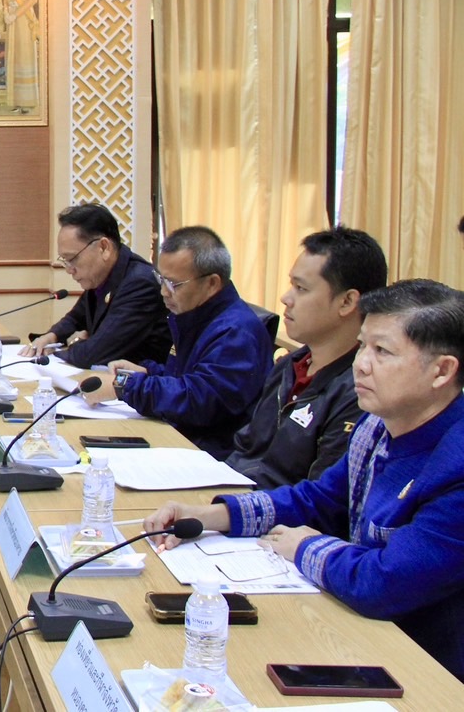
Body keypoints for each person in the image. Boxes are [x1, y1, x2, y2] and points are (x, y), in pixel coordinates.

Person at [146, 280, 464, 682]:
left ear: (442, 371)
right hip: (364, 634)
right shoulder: (378, 426)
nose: (360, 364)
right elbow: (321, 499)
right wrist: (211, 517)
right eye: (363, 345)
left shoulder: (455, 464)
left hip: (431, 669)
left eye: (382, 352)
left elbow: (386, 581)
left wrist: (304, 546)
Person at [83, 225, 273, 456]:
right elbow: (187, 376)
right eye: (160, 279)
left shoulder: (236, 332)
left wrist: (123, 387)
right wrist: (147, 372)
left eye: (173, 284)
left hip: (212, 452)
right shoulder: (194, 315)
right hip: (185, 436)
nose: (163, 291)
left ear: (212, 283)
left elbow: (199, 399)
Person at [225, 228, 386, 488]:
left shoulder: (361, 390)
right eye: (292, 285)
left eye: (301, 288)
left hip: (279, 520)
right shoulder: (290, 366)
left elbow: (321, 498)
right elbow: (245, 449)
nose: (286, 298)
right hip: (236, 500)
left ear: (347, 302)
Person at [23, 203, 172, 369]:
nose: (69, 270)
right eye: (64, 261)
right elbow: (76, 318)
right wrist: (52, 336)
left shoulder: (140, 283)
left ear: (104, 247)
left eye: (72, 259)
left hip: (139, 386)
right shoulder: (102, 276)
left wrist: (65, 348)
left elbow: (92, 355)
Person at [1, 0, 40, 114]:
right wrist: (6, 14)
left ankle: (28, 101)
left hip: (25, 17)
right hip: (11, 20)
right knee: (14, 56)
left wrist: (15, 14)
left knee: (25, 55)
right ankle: (15, 100)